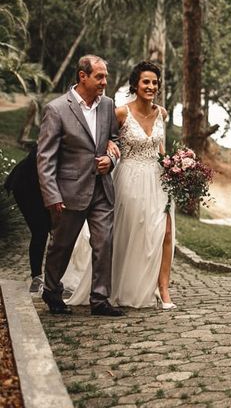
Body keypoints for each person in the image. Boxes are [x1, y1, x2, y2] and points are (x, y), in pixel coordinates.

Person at [67, 60, 176, 309]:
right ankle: (118, 285)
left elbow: (161, 148)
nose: (151, 86)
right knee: (129, 232)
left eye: (155, 83)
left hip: (158, 180)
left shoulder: (162, 113)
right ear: (135, 86)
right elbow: (101, 137)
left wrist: (176, 166)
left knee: (164, 232)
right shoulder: (120, 112)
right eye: (146, 82)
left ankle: (163, 289)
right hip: (129, 178)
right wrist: (108, 147)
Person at [37, 54, 124, 316]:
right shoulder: (57, 109)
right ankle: (52, 291)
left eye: (105, 76)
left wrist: (110, 159)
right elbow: (45, 158)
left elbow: (114, 140)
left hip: (101, 189)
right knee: (61, 246)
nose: (104, 82)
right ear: (82, 76)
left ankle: (99, 299)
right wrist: (52, 195)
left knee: (104, 243)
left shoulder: (108, 105)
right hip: (69, 191)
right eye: (99, 76)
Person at [3, 146, 50, 293]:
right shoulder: (53, 137)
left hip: (42, 184)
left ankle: (50, 278)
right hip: (26, 185)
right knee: (40, 230)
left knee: (50, 229)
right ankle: (37, 277)